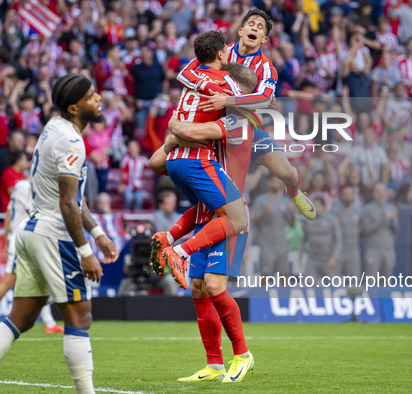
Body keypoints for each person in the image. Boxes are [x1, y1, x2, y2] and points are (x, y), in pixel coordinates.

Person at [0, 75, 119, 394]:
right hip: (54, 235)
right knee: (80, 317)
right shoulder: (71, 141)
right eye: (91, 96)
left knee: (23, 318)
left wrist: (98, 233)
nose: (99, 98)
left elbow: (73, 197)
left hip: (31, 232)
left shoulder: (53, 128)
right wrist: (87, 252)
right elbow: (67, 203)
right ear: (74, 107)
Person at [149, 63, 258, 383]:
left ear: (232, 93)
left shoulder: (240, 121)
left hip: (229, 218)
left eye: (220, 88)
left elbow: (192, 131)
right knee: (198, 289)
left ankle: (242, 355)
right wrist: (174, 138)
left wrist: (176, 125)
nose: (211, 92)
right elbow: (156, 163)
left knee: (214, 285)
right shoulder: (211, 119)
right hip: (204, 216)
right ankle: (213, 364)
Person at [177, 9, 316, 221]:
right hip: (216, 125)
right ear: (241, 30)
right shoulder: (222, 52)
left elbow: (263, 98)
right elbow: (184, 74)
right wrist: (209, 87)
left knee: (287, 173)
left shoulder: (267, 67)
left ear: (264, 39)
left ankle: (294, 193)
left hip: (249, 128)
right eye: (252, 24)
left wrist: (228, 100)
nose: (255, 28)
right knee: (163, 162)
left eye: (260, 27)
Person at [157, 31, 248, 289]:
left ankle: (168, 237)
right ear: (220, 54)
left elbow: (182, 73)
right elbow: (252, 106)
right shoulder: (226, 84)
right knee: (238, 218)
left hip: (173, 159)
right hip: (197, 160)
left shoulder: (190, 78)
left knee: (205, 212)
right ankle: (180, 253)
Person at [0, 179, 64, 335]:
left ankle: (49, 323)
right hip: (23, 240)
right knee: (10, 278)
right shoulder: (27, 187)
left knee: (41, 278)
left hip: (25, 239)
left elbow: (8, 215)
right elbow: (40, 214)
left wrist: (8, 239)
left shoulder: (21, 186)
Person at [362, 183, 399, 277]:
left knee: (387, 281)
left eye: (383, 191)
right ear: (373, 193)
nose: (381, 194)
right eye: (378, 192)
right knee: (370, 280)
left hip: (388, 249)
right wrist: (380, 221)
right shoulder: (368, 208)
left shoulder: (391, 208)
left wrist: (391, 220)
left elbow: (396, 230)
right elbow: (366, 231)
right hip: (373, 249)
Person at [301, 197, 342, 281]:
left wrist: (334, 256)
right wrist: (300, 256)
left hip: (328, 257)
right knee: (308, 282)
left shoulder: (331, 220)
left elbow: (338, 240)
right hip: (313, 258)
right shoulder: (308, 221)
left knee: (333, 283)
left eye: (316, 205)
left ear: (323, 207)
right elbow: (303, 240)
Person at [333, 186, 363, 280]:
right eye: (345, 194)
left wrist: (357, 232)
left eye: (350, 194)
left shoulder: (358, 211)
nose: (347, 197)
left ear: (353, 197)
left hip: (353, 249)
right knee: (335, 279)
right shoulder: (335, 212)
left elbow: (362, 222)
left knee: (353, 279)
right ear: (341, 196)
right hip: (339, 249)